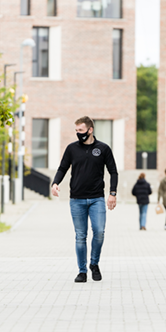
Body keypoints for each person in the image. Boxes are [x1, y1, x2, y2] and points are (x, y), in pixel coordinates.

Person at [51, 116, 118, 283]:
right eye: (76, 131)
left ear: (90, 130)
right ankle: (82, 271)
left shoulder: (103, 149)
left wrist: (113, 193)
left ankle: (94, 264)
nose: (78, 134)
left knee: (99, 232)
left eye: (80, 130)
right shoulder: (71, 149)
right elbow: (63, 168)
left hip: (97, 199)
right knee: (80, 236)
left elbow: (113, 172)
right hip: (77, 200)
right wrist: (55, 183)